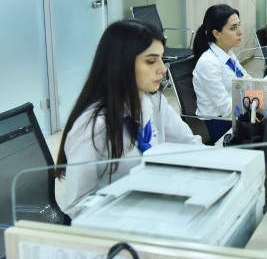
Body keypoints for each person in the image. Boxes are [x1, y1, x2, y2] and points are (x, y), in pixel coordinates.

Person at [55, 20, 203, 218]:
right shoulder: (94, 125)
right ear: (121, 64)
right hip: (114, 224)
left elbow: (190, 145)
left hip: (154, 208)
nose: (162, 68)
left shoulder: (155, 102)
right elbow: (75, 206)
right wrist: (135, 213)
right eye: (151, 61)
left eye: (161, 58)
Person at [193, 4, 250, 143]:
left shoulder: (228, 55)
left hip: (237, 113)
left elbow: (248, 81)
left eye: (239, 25)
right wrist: (254, 100)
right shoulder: (208, 63)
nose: (240, 32)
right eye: (233, 28)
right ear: (216, 34)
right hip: (220, 123)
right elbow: (226, 109)